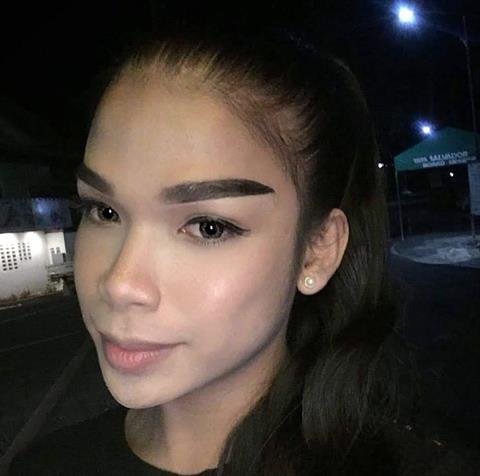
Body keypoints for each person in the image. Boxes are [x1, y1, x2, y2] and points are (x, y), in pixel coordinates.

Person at [8, 21, 477, 476]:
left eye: (208, 227)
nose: (119, 284)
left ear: (317, 250)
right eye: (104, 211)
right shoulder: (41, 465)